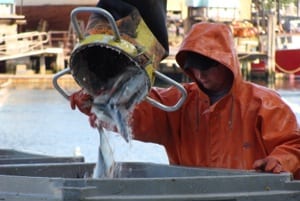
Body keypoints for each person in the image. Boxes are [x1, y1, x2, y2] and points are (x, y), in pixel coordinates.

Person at [70, 6, 300, 179]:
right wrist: (99, 103)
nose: (200, 74)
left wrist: (279, 161)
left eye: (207, 66)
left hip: (251, 199)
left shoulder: (265, 103)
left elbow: (293, 145)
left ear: (226, 63)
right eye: (193, 68)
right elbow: (140, 113)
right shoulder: (178, 101)